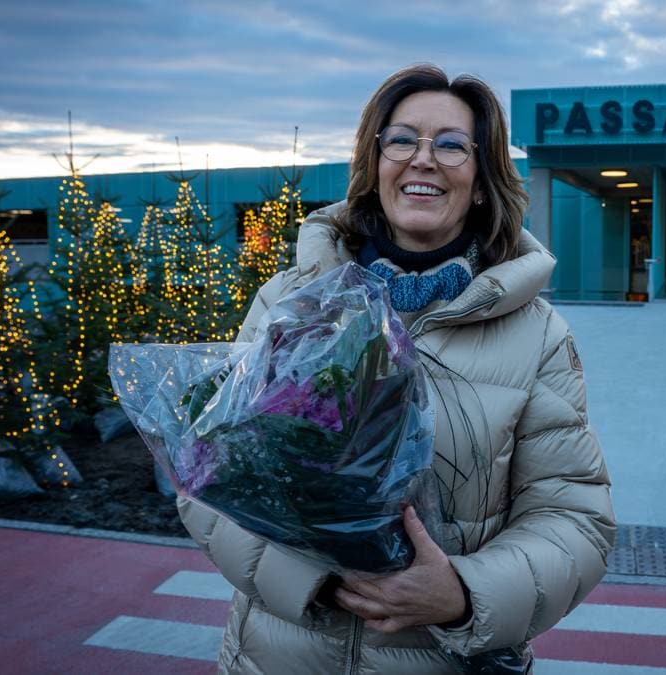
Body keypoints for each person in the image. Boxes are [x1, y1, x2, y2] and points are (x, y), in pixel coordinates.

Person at [177, 64, 616, 674]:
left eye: (453, 145)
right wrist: (318, 580)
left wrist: (464, 594)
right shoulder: (288, 302)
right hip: (278, 656)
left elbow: (572, 516)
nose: (423, 159)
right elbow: (208, 477)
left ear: (484, 180)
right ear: (375, 163)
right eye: (402, 139)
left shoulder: (536, 333)